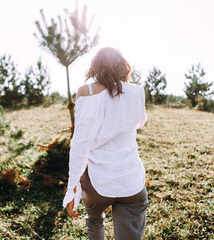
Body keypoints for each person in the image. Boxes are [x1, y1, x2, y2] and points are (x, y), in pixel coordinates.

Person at [62, 47, 148, 240]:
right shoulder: (137, 92)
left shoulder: (86, 92)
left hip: (96, 183)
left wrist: (72, 185)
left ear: (95, 68)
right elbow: (140, 122)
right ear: (123, 67)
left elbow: (81, 144)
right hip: (130, 181)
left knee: (94, 221)